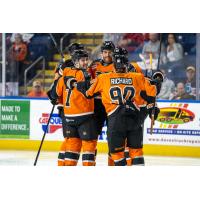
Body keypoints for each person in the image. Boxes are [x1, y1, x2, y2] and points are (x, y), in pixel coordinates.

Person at [76, 48, 157, 166]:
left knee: (117, 154)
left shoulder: (103, 78)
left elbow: (88, 94)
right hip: (135, 119)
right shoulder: (138, 77)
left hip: (115, 121)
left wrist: (81, 86)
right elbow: (153, 92)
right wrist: (157, 80)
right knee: (137, 152)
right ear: (126, 64)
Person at [48, 49, 98, 166]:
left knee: (71, 149)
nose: (86, 62)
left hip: (69, 118)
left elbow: (53, 95)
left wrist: (54, 98)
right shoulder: (84, 74)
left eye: (86, 59)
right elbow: (88, 91)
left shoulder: (64, 75)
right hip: (84, 116)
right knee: (89, 147)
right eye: (83, 60)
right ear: (75, 62)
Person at [54, 43, 85, 166]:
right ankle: (62, 164)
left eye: (80, 50)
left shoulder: (82, 64)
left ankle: (65, 163)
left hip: (79, 107)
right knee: (70, 139)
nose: (79, 53)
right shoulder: (65, 65)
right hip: (66, 107)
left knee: (75, 140)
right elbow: (56, 84)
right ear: (72, 53)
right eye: (77, 51)